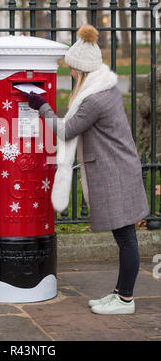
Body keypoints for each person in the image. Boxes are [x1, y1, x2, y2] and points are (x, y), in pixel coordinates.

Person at [23, 24, 149, 315]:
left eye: (72, 69)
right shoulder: (104, 88)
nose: (70, 73)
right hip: (119, 168)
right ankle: (120, 292)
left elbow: (66, 130)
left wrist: (40, 105)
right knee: (124, 236)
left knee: (126, 238)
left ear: (81, 70)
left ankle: (125, 299)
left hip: (115, 173)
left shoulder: (93, 99)